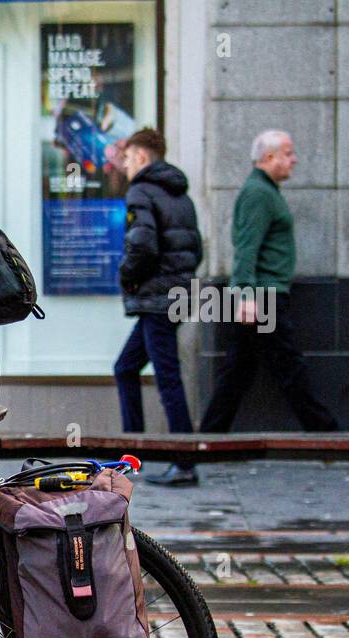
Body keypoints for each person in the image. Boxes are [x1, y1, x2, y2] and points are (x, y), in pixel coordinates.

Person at [200, 130, 337, 433]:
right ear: (269, 157)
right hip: (263, 299)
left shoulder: (266, 191)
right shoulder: (258, 194)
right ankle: (329, 435)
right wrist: (246, 297)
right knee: (288, 367)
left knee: (239, 371)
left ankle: (206, 441)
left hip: (264, 296)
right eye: (288, 153)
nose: (294, 159)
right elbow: (246, 248)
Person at [113, 127, 203, 487]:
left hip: (156, 298)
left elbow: (142, 246)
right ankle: (133, 458)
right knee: (125, 367)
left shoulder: (141, 191)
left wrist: (127, 276)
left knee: (167, 377)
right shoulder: (181, 195)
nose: (125, 164)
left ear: (143, 157)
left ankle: (184, 463)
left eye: (129, 157)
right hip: (175, 294)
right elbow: (195, 250)